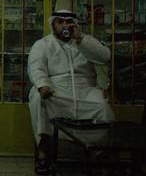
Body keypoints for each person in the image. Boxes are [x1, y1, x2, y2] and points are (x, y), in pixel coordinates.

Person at [27, 9, 114, 174]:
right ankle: (43, 153)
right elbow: (36, 68)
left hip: (85, 89)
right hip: (56, 88)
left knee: (102, 105)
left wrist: (81, 39)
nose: (65, 25)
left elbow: (105, 57)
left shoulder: (85, 41)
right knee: (39, 101)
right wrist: (42, 85)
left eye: (69, 22)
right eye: (61, 22)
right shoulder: (43, 44)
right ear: (53, 25)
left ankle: (100, 152)